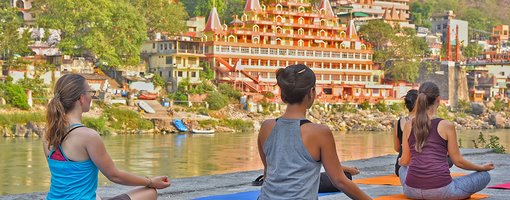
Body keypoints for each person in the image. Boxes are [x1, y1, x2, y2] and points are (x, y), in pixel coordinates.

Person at [43, 74, 171, 200]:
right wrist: (150, 182)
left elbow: (65, 179)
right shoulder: (88, 136)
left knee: (96, 196)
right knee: (150, 192)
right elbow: (114, 175)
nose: (92, 96)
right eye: (90, 92)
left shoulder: (48, 133)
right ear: (81, 98)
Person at [257, 64, 371, 200]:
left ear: (283, 94)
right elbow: (340, 181)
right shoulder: (320, 133)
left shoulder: (266, 127)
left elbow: (269, 172)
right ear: (311, 92)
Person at [399, 82, 494, 199]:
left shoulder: (408, 124)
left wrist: (401, 161)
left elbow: (404, 161)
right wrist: (482, 167)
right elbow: (458, 161)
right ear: (438, 100)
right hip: (440, 192)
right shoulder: (446, 125)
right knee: (485, 176)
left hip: (411, 191)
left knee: (403, 169)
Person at [393, 89, 418, 176]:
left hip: (400, 167)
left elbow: (397, 148)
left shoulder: (399, 122)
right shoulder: (425, 122)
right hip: (419, 166)